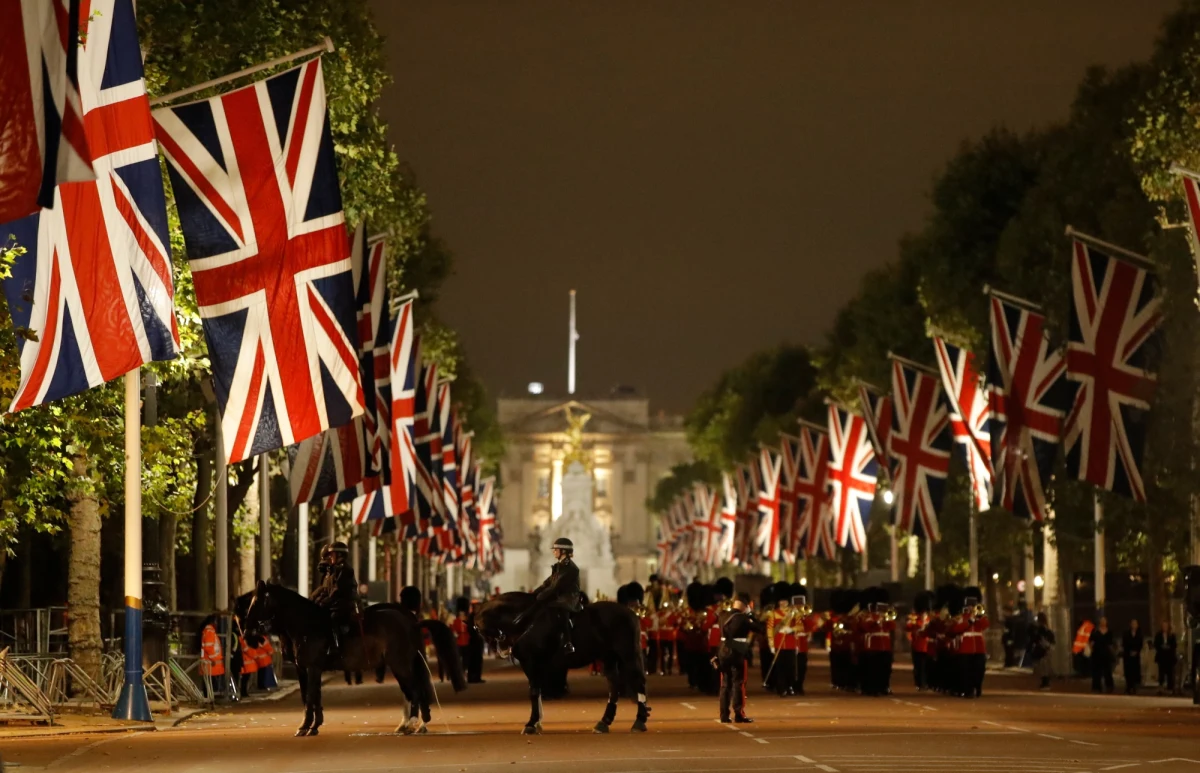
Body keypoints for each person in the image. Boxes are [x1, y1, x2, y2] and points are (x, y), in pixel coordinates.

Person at [518, 537, 581, 655]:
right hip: (559, 596)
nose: (554, 551)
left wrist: (541, 596)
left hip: (569, 598)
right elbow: (548, 583)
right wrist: (534, 594)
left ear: (563, 551)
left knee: (560, 609)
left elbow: (556, 586)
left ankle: (568, 642)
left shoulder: (571, 568)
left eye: (556, 549)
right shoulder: (559, 566)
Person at [714, 592, 766, 724]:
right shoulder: (743, 618)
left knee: (725, 684)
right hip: (738, 651)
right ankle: (739, 714)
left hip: (723, 651)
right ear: (745, 605)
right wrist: (751, 616)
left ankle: (724, 715)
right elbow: (761, 629)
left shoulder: (722, 614)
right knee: (739, 683)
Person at [310, 541, 359, 659]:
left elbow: (338, 589)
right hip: (336, 602)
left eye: (332, 555)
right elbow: (326, 589)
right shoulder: (335, 570)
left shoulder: (345, 569)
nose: (330, 557)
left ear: (340, 555)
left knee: (333, 618)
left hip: (344, 603)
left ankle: (336, 646)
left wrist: (326, 601)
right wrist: (314, 599)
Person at [198, 614, 227, 697]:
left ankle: (208, 698)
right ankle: (208, 699)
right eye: (216, 621)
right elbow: (208, 647)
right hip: (210, 663)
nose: (217, 623)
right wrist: (213, 659)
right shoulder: (210, 631)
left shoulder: (208, 631)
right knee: (209, 684)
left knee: (208, 683)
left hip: (209, 663)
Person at [1028, 612, 1056, 690]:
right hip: (1047, 649)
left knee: (1043, 667)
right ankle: (1045, 682)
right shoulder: (1047, 629)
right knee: (1044, 667)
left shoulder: (1041, 630)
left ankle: (1045, 683)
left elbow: (1036, 639)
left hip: (1043, 650)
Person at [1089, 617, 1115, 694]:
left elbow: (1111, 644)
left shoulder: (1109, 632)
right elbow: (1091, 642)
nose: (1103, 623)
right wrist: (1091, 649)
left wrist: (1112, 652)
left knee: (1108, 671)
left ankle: (1109, 686)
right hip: (1097, 654)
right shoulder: (1095, 632)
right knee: (1097, 671)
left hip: (1106, 654)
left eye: (1104, 621)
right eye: (1101, 621)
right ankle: (1096, 687)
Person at [1121, 619, 1145, 695]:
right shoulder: (1126, 633)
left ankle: (1134, 687)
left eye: (1135, 624)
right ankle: (1128, 687)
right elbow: (1124, 644)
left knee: (1135, 671)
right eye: (1133, 624)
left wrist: (1136, 651)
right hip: (1128, 655)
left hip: (1136, 655)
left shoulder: (1140, 634)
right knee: (1128, 671)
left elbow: (1140, 644)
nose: (1134, 625)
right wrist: (1129, 652)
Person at [1154, 621, 1178, 695]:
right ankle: (1161, 688)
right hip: (1161, 657)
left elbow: (1174, 645)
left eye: (1166, 626)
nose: (1164, 627)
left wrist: (1168, 647)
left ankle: (1170, 688)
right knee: (1161, 673)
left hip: (1169, 657)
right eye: (1163, 626)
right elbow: (1156, 644)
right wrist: (1162, 647)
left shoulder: (1172, 635)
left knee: (1170, 674)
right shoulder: (1158, 635)